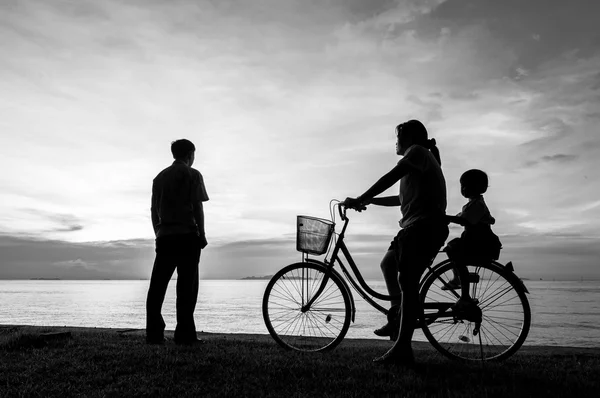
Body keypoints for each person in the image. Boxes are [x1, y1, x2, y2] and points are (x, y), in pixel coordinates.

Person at [344, 119, 448, 366]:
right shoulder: (419, 158)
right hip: (414, 226)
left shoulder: (418, 152)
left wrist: (362, 196)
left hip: (425, 226)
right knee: (388, 265)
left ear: (409, 138)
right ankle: (396, 316)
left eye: (397, 137)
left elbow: (391, 176)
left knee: (407, 282)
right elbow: (399, 198)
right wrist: (369, 202)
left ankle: (403, 347)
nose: (395, 142)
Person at [146, 139, 209, 345]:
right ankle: (184, 334)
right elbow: (197, 207)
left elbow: (154, 210)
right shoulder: (193, 175)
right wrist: (202, 234)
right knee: (187, 288)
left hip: (165, 237)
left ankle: (154, 333)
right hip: (188, 237)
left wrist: (158, 232)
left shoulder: (159, 178)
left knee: (157, 287)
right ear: (190, 154)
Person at [443, 169, 502, 310]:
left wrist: (447, 218)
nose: (462, 189)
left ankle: (464, 292)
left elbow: (465, 220)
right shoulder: (473, 203)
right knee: (452, 248)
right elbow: (463, 216)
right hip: (476, 241)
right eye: (462, 186)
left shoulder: (476, 205)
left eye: (465, 186)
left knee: (452, 248)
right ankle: (461, 276)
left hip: (479, 243)